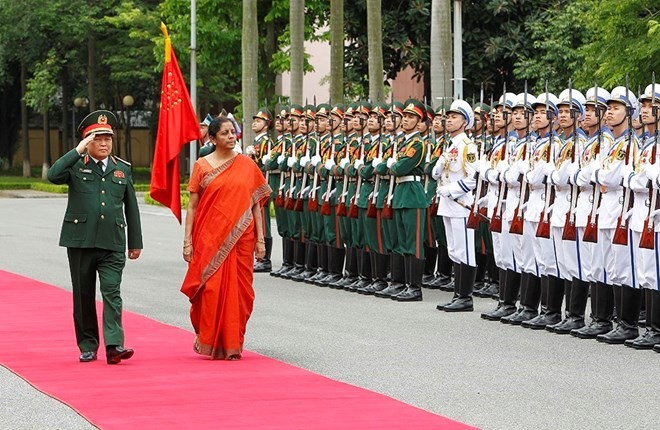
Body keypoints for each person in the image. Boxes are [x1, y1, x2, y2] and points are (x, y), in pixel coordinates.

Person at [47, 110, 143, 364]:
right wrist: (77, 151)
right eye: (97, 139)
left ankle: (114, 345)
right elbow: (53, 175)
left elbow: (131, 207)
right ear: (86, 141)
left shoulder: (122, 169)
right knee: (84, 294)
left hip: (112, 241)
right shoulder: (76, 164)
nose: (103, 144)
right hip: (81, 241)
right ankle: (88, 344)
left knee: (112, 291)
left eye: (107, 139)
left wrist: (135, 242)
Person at [181, 117, 271, 360]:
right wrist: (187, 241)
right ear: (212, 138)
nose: (232, 136)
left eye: (233, 132)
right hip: (208, 238)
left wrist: (260, 240)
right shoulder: (201, 166)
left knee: (241, 294)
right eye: (225, 133)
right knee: (209, 290)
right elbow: (192, 207)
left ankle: (232, 343)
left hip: (242, 239)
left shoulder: (247, 165)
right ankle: (209, 339)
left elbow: (255, 205)